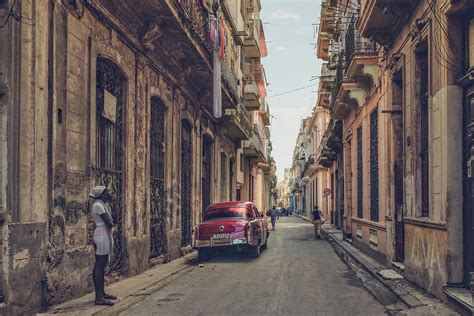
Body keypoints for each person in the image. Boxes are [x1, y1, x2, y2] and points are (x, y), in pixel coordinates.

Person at [89, 186, 117, 306]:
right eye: (108, 192)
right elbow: (110, 223)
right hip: (101, 235)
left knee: (102, 264)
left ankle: (102, 293)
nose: (110, 194)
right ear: (102, 195)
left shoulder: (102, 204)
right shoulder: (98, 205)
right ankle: (99, 298)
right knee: (100, 265)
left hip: (102, 234)